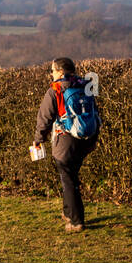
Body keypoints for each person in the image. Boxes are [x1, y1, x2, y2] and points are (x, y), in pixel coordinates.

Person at [33, 57, 99, 232]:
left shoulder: (55, 90)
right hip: (86, 138)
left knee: (69, 180)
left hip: (65, 140)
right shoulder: (86, 85)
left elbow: (45, 118)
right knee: (71, 176)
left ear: (61, 72)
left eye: (53, 70)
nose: (51, 74)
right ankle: (68, 212)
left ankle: (76, 221)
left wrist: (38, 139)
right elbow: (94, 112)